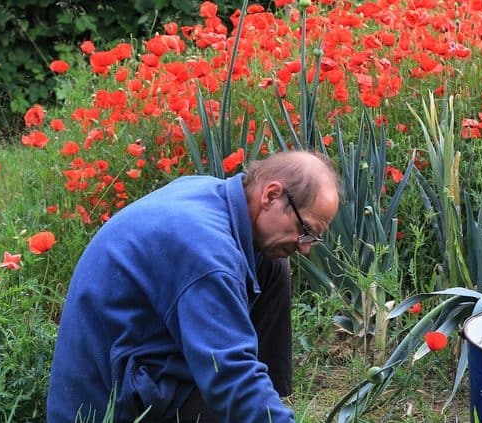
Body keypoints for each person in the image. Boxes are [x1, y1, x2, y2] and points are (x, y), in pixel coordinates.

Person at [47, 151, 341, 422]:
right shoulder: (209, 254)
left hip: (140, 358)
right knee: (231, 395)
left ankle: (268, 402)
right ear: (272, 196)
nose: (305, 249)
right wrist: (241, 392)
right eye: (306, 231)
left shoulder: (216, 198)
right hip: (107, 404)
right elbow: (228, 376)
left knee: (274, 264)